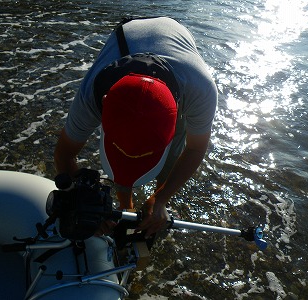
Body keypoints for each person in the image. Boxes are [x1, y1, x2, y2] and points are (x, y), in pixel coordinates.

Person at [54, 17, 217, 238]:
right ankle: (125, 204)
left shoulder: (200, 90)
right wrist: (85, 201)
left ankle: (157, 206)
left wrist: (160, 198)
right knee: (124, 154)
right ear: (105, 103)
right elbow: (64, 153)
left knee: (173, 159)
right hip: (129, 35)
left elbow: (195, 148)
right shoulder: (92, 94)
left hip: (176, 48)